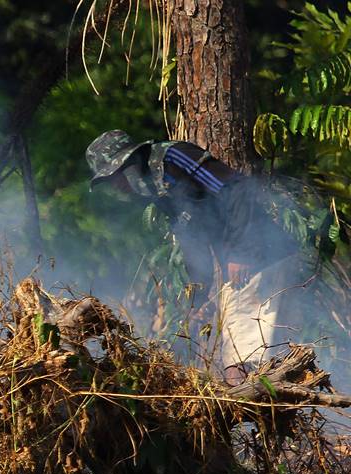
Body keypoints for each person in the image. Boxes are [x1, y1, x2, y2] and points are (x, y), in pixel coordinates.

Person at [85, 130, 313, 375]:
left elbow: (237, 189)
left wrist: (241, 252)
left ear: (130, 162)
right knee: (268, 361)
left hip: (259, 260)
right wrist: (199, 298)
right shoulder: (156, 188)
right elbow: (192, 240)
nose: (116, 186)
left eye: (115, 176)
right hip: (253, 266)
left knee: (240, 362)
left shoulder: (174, 158)